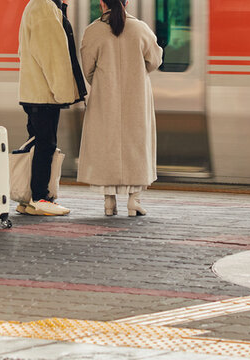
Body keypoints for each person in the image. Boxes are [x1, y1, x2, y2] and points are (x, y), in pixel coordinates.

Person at [78, 0, 162, 217]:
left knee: (107, 145)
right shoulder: (140, 29)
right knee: (137, 144)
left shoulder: (93, 31)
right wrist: (137, 70)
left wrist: (101, 82)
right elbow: (155, 60)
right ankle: (134, 200)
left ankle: (109, 202)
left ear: (101, 3)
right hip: (137, 98)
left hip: (104, 98)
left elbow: (88, 69)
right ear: (127, 3)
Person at [17, 0, 87, 216]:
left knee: (38, 144)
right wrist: (63, 93)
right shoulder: (45, 8)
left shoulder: (38, 6)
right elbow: (53, 57)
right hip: (44, 94)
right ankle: (40, 197)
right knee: (45, 146)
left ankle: (29, 198)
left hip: (35, 92)